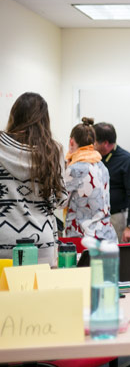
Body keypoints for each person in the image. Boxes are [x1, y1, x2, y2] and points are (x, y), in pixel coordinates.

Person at [0, 92, 66, 265]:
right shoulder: (53, 150)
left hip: (2, 238)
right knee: (39, 292)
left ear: (15, 115)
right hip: (41, 240)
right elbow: (59, 199)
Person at [63, 117, 118, 242]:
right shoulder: (101, 166)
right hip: (106, 236)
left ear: (71, 142)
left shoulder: (75, 169)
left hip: (84, 238)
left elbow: (59, 202)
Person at [94, 122, 130, 243]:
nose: (91, 145)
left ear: (105, 143)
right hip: (95, 219)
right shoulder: (94, 159)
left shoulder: (127, 161)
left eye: (94, 142)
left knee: (116, 259)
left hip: (115, 218)